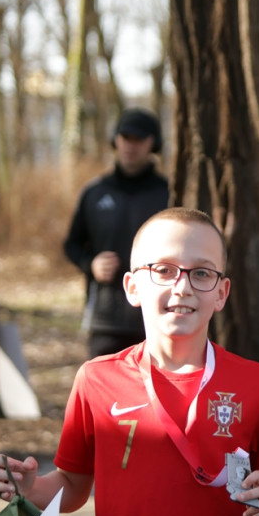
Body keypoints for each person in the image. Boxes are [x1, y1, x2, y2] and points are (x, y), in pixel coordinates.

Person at [0, 207, 259, 516]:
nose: (183, 287)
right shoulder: (96, 379)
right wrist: (32, 488)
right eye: (165, 270)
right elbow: (73, 485)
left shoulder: (258, 383)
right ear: (132, 287)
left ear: (221, 293)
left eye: (201, 273)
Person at [64, 107, 170, 358]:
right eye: (125, 137)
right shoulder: (94, 192)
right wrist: (91, 264)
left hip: (156, 317)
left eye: (139, 139)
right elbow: (71, 244)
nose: (130, 146)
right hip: (105, 319)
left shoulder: (169, 194)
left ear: (152, 144)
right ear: (115, 140)